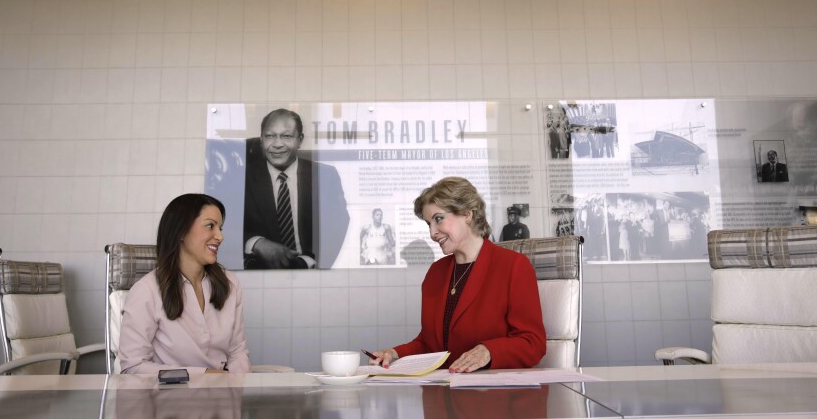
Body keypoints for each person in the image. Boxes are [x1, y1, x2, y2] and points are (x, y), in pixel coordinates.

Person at [368, 177, 546, 373]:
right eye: (429, 224)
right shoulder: (436, 272)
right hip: (442, 391)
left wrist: (488, 351)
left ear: (467, 214)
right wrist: (394, 353)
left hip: (491, 394)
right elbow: (430, 345)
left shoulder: (513, 266)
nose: (432, 233)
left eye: (438, 219)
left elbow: (533, 343)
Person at [118, 193, 249, 375]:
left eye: (220, 228)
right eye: (210, 226)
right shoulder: (146, 291)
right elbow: (133, 367)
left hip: (221, 398)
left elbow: (237, 352)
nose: (220, 236)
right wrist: (203, 375)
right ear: (181, 231)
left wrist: (236, 386)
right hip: (168, 399)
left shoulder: (230, 284)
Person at [243, 109, 350, 269]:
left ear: (300, 140)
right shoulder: (242, 178)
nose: (277, 144)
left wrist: (308, 262)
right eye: (270, 136)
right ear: (261, 140)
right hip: (258, 271)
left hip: (312, 270)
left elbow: (338, 225)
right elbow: (226, 227)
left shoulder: (325, 176)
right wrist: (256, 243)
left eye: (286, 136)